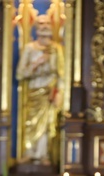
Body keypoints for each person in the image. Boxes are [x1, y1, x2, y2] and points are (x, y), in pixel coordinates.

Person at [16, 14, 63, 166]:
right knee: (31, 123)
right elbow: (20, 73)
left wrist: (59, 93)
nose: (44, 26)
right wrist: (37, 63)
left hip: (49, 92)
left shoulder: (56, 49)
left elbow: (61, 73)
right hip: (34, 90)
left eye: (47, 23)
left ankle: (43, 154)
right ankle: (30, 152)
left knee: (48, 124)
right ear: (36, 27)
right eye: (41, 23)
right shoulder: (30, 48)